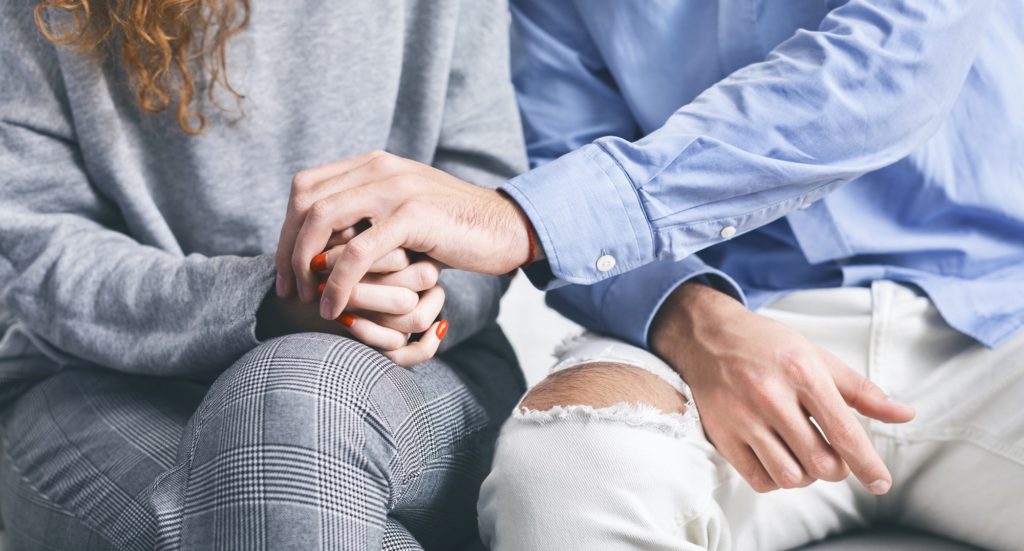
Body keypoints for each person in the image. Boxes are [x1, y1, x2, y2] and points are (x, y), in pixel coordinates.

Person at [274, 1, 1024, 549]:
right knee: (565, 474)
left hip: (1002, 312)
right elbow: (557, 151)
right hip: (713, 321)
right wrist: (696, 324)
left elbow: (887, 74)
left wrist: (521, 221)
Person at [0, 0, 526, 549]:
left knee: (296, 402)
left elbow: (487, 199)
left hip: (422, 370)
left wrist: (398, 299)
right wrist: (274, 304)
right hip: (100, 379)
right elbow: (34, 237)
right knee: (261, 499)